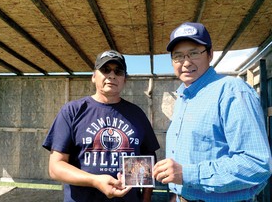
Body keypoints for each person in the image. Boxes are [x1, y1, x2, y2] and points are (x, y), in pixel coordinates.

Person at [153, 22, 272, 202]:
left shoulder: (232, 91)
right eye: (178, 56)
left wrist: (187, 173)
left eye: (193, 53)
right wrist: (177, 194)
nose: (186, 62)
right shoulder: (184, 98)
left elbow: (256, 164)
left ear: (210, 54)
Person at [43, 49, 160, 202]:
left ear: (124, 79)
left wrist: (146, 199)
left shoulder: (136, 114)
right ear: (93, 76)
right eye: (105, 70)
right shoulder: (73, 111)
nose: (112, 75)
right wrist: (95, 180)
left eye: (118, 71)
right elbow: (56, 167)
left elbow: (148, 159)